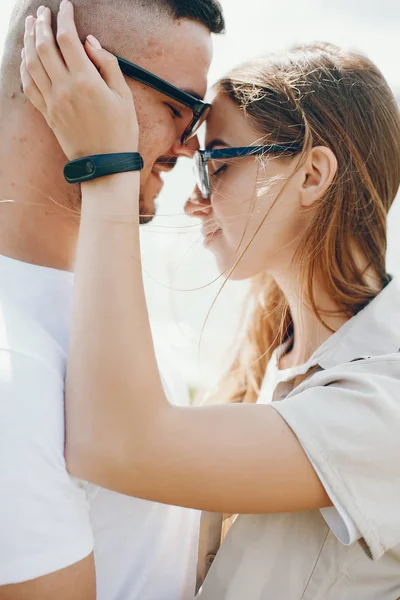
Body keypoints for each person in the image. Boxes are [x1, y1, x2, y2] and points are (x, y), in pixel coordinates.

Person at [21, 4, 400, 598]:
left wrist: (106, 166)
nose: (192, 202)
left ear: (312, 175)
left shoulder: (388, 399)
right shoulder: (264, 355)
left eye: (215, 165)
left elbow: (116, 446)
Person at [0, 0, 225, 598]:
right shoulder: (11, 369)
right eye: (178, 108)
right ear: (63, 66)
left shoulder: (105, 298)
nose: (188, 147)